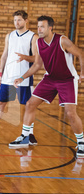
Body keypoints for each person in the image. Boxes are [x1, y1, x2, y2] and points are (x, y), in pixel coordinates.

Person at [9, 15, 84, 157]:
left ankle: (81, 143)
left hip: (67, 79)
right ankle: (25, 136)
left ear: (50, 28)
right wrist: (21, 77)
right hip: (50, 78)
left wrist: (82, 74)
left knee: (70, 113)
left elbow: (80, 53)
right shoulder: (38, 43)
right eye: (38, 26)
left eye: (42, 26)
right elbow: (37, 64)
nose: (39, 29)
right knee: (30, 104)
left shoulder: (62, 40)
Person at [0, 10, 38, 145]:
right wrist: (0, 74)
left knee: (29, 106)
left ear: (26, 20)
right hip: (8, 76)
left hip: (24, 77)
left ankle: (29, 134)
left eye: (19, 20)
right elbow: (4, 55)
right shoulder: (9, 36)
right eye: (15, 20)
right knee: (1, 103)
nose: (17, 23)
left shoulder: (33, 37)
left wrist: (25, 57)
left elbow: (36, 58)